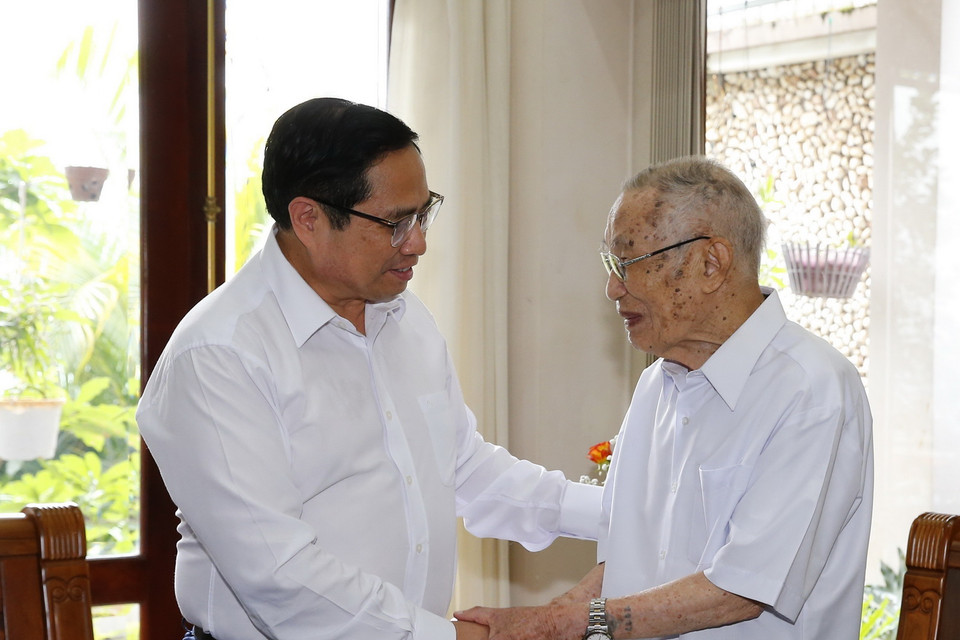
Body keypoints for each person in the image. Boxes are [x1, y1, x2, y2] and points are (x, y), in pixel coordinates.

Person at [136, 97, 601, 640]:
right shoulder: (219, 355)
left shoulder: (406, 318)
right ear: (308, 218)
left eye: (424, 213)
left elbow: (465, 470)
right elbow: (278, 575)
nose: (420, 243)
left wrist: (623, 514)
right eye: (396, 223)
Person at [456, 156, 874, 639]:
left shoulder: (813, 390)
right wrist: (543, 618)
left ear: (710, 263)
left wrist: (557, 623)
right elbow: (633, 559)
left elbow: (741, 591)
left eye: (627, 263)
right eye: (610, 264)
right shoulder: (657, 385)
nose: (612, 288)